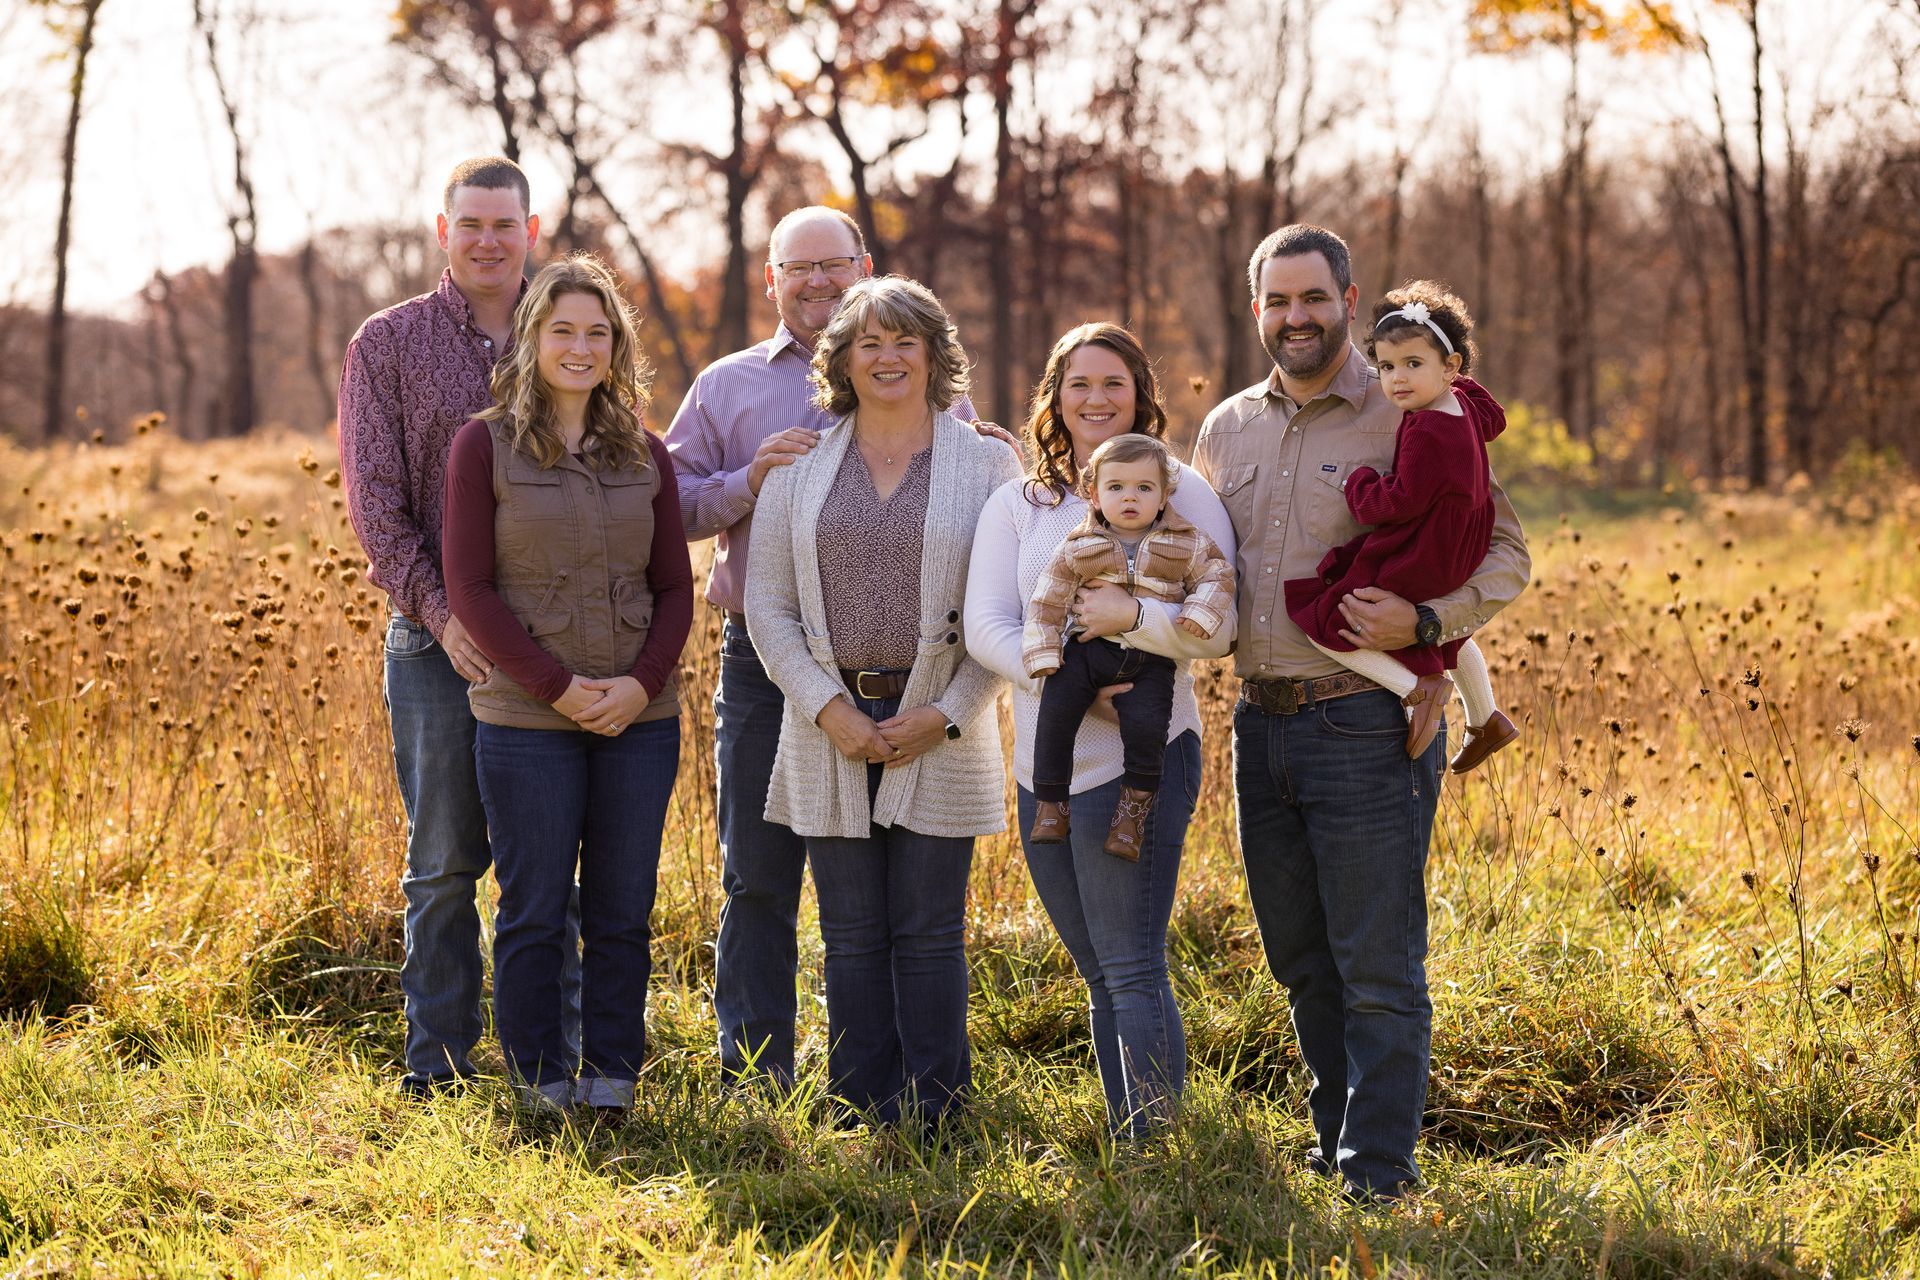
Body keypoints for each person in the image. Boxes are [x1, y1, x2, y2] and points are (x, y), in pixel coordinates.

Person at [1191, 225, 1530, 1199]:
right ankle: (1333, 1138)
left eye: (1313, 297)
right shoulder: (1227, 429)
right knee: (1300, 958)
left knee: (1377, 960)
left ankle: (1378, 1171)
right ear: (1258, 309)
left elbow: (1504, 549)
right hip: (1262, 726)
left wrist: (1430, 618)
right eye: (1277, 300)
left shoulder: (1407, 405)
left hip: (1370, 725)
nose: (1296, 316)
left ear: (1347, 297)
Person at [664, 207, 980, 1087]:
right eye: (794, 268)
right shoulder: (726, 387)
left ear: (863, 264)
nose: (814, 281)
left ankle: (900, 1081)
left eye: (830, 264)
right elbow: (669, 507)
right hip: (768, 667)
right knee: (759, 877)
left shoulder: (928, 375)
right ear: (771, 281)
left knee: (897, 900)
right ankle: (758, 1071)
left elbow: (968, 510)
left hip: (913, 674)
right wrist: (745, 481)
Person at [745, 275, 1018, 1132]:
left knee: (930, 931)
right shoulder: (801, 467)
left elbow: (1009, 608)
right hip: (830, 725)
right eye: (869, 342)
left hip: (943, 722)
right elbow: (768, 606)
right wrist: (829, 710)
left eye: (905, 340)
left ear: (935, 354)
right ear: (842, 360)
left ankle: (938, 1112)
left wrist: (947, 714)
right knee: (853, 931)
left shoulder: (986, 463)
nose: (888, 356)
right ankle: (860, 1110)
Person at [339, 156, 579, 1097]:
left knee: (545, 864)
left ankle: (547, 1059)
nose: (487, 240)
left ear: (531, 231)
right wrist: (443, 618)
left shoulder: (568, 332)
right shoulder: (389, 342)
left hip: (553, 641)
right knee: (442, 863)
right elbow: (377, 504)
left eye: (504, 225)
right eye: (469, 224)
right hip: (437, 647)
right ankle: (436, 1061)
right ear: (443, 231)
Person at [965, 322, 1236, 1139]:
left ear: (1140, 393)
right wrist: (1066, 682)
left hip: (1141, 756)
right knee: (1097, 968)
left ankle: (1157, 1154)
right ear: (1054, 396)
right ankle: (1133, 1133)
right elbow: (985, 623)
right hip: (1045, 760)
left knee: (1129, 965)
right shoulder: (1020, 501)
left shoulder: (1177, 489)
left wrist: (1135, 617)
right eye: (1078, 384)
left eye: (1113, 383)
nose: (1095, 399)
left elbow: (1219, 627)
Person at [443, 255, 693, 1114]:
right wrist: (556, 688)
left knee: (623, 909)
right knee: (535, 908)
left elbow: (674, 586)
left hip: (640, 717)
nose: (581, 347)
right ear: (532, 339)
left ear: (616, 345)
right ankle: (541, 1080)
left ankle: (614, 1078)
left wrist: (641, 685)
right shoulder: (483, 447)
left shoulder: (644, 454)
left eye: (598, 332)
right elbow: (470, 590)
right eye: (563, 331)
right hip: (526, 720)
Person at [1282, 281, 1519, 771]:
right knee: (1450, 636)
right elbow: (1494, 420)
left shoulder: (1428, 428)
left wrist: (1360, 484)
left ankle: (1418, 689)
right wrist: (1458, 383)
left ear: (1450, 365)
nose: (1398, 381)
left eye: (1414, 364)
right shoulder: (1462, 403)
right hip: (1460, 547)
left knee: (1328, 623)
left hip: (1427, 549)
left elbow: (1396, 501)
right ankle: (1486, 717)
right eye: (1387, 367)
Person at [1022, 433, 1234, 857]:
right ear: (1095, 496)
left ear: (1163, 497)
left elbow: (1219, 576)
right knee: (1056, 711)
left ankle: (1131, 814)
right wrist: (1044, 652)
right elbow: (1048, 599)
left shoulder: (1186, 541)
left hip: (1152, 657)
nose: (1129, 498)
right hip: (1088, 649)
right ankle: (1050, 803)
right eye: (1116, 487)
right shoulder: (1079, 546)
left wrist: (1195, 614)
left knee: (1147, 729)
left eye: (1144, 487)